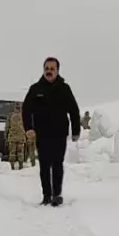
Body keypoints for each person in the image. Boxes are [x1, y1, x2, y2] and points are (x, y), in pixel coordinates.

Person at [21, 57, 81, 206]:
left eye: (52, 69)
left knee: (57, 164)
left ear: (57, 71)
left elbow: (73, 110)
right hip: (42, 133)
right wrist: (29, 128)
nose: (49, 71)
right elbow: (26, 109)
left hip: (60, 133)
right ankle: (47, 195)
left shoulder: (64, 89)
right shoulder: (35, 89)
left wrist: (75, 131)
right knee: (44, 164)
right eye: (47, 68)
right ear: (43, 70)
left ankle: (57, 194)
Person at [5, 102, 28, 170]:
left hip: (12, 137)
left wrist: (6, 136)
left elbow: (7, 127)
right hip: (21, 137)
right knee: (20, 152)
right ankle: (20, 166)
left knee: (12, 152)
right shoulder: (24, 115)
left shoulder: (11, 115)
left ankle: (12, 166)